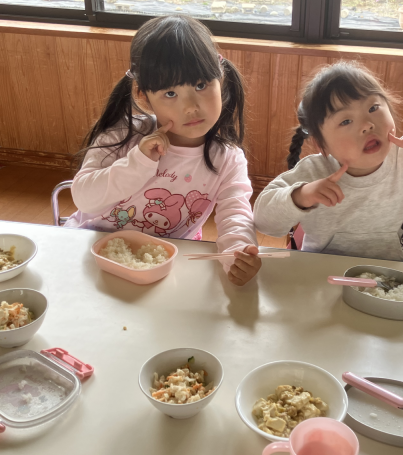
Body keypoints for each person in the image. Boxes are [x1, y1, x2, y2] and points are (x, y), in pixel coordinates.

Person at [65, 15, 261, 285]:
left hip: (165, 264)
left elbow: (235, 214)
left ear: (221, 78)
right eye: (170, 94)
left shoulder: (228, 159)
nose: (190, 107)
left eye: (201, 85)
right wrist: (138, 162)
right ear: (145, 97)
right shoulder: (123, 135)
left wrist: (237, 252)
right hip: (93, 251)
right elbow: (83, 199)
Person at [253, 61, 403, 262]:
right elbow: (264, 222)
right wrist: (302, 196)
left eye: (373, 108)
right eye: (346, 121)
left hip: (394, 286)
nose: (367, 125)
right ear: (321, 144)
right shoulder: (314, 171)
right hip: (323, 283)